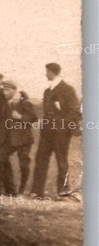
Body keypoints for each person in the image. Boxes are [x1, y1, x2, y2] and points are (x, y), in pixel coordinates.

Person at [31, 62, 80, 196]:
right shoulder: (47, 91)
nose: (45, 74)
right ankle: (37, 191)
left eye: (47, 71)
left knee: (61, 161)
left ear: (52, 72)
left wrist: (61, 125)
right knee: (40, 159)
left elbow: (75, 112)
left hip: (61, 133)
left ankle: (63, 192)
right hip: (47, 132)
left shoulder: (67, 89)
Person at [0, 79, 34, 195]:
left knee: (23, 165)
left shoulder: (24, 102)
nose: (4, 92)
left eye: (7, 90)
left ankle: (22, 190)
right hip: (10, 140)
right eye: (4, 90)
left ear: (14, 90)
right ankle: (2, 189)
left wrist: (20, 117)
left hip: (24, 139)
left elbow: (33, 118)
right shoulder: (5, 103)